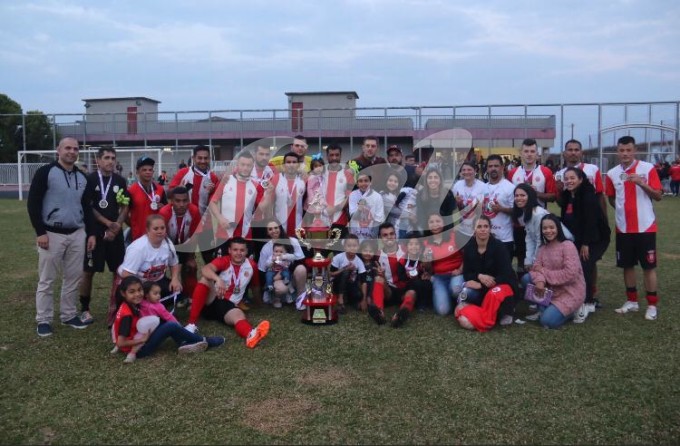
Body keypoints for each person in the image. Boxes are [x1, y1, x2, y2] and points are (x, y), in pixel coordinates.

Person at [28, 137, 96, 337]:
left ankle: (68, 315)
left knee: (73, 278)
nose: (72, 152)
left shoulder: (82, 177)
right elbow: (33, 203)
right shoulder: (45, 173)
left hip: (76, 233)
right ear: (58, 150)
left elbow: (87, 208)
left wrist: (91, 233)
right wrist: (40, 232)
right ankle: (44, 319)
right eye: (68, 148)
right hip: (51, 233)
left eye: (75, 149)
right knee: (47, 279)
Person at [605, 136, 663, 320]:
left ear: (634, 150)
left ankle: (652, 305)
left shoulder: (647, 169)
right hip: (623, 228)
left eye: (628, 150)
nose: (625, 154)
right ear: (617, 151)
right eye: (621, 150)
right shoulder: (612, 173)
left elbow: (659, 195)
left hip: (645, 228)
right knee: (627, 266)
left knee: (648, 267)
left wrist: (641, 183)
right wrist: (623, 210)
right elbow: (612, 198)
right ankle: (632, 301)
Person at [112, 276, 224, 361]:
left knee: (166, 323)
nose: (137, 294)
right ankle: (205, 341)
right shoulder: (127, 315)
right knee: (171, 325)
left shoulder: (127, 305)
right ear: (123, 293)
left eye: (139, 290)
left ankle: (184, 343)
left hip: (139, 338)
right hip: (138, 350)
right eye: (132, 292)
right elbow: (121, 343)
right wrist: (142, 340)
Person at [185, 237, 270, 349]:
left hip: (228, 307)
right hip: (213, 299)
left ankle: (251, 334)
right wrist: (218, 279)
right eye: (235, 250)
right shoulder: (224, 261)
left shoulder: (252, 265)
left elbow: (255, 286)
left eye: (242, 250)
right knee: (205, 279)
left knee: (238, 315)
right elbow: (205, 269)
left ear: (247, 251)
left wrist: (259, 303)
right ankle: (191, 325)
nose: (238, 253)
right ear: (229, 250)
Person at [79, 147, 130, 325]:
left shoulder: (120, 180)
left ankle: (116, 307)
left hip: (115, 233)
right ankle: (85, 309)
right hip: (94, 232)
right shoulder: (89, 179)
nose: (110, 161)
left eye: (113, 158)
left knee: (119, 271)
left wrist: (116, 227)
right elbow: (88, 207)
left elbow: (125, 206)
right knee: (88, 271)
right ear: (98, 161)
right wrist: (108, 224)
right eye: (106, 158)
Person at [559, 167, 610, 323]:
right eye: (566, 178)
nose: (569, 181)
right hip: (578, 238)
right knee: (574, 266)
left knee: (584, 266)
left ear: (581, 179)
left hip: (595, 238)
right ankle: (574, 298)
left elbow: (591, 222)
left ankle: (587, 302)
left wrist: (586, 244)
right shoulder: (568, 195)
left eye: (572, 178)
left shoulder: (588, 196)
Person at [112, 215, 182, 326]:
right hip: (136, 283)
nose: (160, 231)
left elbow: (174, 264)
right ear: (147, 231)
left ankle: (157, 309)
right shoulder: (138, 248)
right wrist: (144, 290)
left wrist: (175, 279)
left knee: (177, 291)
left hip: (156, 281)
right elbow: (127, 274)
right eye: (155, 229)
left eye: (162, 228)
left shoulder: (168, 244)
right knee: (139, 308)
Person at [455, 216, 518, 329]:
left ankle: (506, 311)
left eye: (486, 226)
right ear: (474, 230)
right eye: (479, 227)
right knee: (467, 291)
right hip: (481, 285)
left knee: (499, 313)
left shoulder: (499, 247)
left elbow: (506, 274)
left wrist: (482, 283)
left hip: (500, 284)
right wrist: (479, 276)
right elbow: (466, 273)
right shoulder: (469, 247)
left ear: (490, 229)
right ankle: (479, 307)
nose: (483, 229)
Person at [526, 214, 586, 329]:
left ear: (558, 228)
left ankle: (574, 310)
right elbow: (535, 269)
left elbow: (571, 274)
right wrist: (540, 282)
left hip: (570, 292)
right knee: (527, 278)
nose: (548, 231)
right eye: (545, 228)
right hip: (550, 291)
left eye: (551, 227)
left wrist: (544, 272)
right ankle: (545, 308)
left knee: (547, 322)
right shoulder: (542, 248)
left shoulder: (568, 246)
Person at [507, 138, 557, 271]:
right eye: (526, 151)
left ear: (537, 154)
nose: (529, 154)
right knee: (520, 255)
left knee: (539, 255)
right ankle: (522, 283)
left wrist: (536, 193)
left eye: (532, 151)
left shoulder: (545, 172)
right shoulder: (513, 173)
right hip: (518, 222)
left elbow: (552, 196)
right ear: (521, 153)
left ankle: (536, 283)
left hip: (538, 222)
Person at [209, 150, 271, 253]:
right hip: (224, 234)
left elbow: (261, 208)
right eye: (243, 164)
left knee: (245, 267)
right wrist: (220, 219)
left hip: (245, 235)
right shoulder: (225, 181)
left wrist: (268, 193)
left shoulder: (257, 186)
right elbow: (212, 202)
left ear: (252, 167)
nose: (245, 168)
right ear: (237, 164)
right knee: (223, 266)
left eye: (248, 165)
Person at [169, 144, 220, 263]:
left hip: (205, 223)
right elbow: (168, 193)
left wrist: (214, 192)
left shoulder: (212, 177)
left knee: (210, 258)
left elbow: (217, 202)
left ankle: (212, 281)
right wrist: (178, 188)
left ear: (209, 159)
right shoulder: (183, 172)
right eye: (200, 158)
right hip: (186, 222)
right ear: (193, 158)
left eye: (206, 158)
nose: (203, 161)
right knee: (186, 261)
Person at [512, 183, 572, 272]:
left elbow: (540, 241)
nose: (519, 198)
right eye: (516, 196)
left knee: (528, 279)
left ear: (530, 196)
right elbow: (530, 239)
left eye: (522, 195)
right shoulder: (527, 212)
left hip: (561, 250)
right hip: (548, 250)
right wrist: (528, 261)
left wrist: (534, 263)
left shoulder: (538, 214)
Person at [117, 281, 182, 364]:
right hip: (141, 327)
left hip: (147, 328)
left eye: (159, 293)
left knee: (139, 337)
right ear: (146, 295)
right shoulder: (141, 302)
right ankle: (128, 352)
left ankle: (128, 352)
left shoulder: (158, 306)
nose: (159, 296)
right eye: (155, 293)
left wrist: (177, 324)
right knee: (138, 338)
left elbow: (168, 316)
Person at [159, 186, 202, 302]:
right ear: (171, 201)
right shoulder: (164, 212)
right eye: (177, 201)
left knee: (191, 267)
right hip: (167, 245)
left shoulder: (194, 211)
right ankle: (165, 296)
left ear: (188, 200)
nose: (181, 204)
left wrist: (190, 258)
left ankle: (190, 297)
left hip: (186, 244)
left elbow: (195, 236)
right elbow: (162, 238)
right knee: (160, 271)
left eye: (185, 200)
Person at [256, 218, 307, 307]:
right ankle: (277, 297)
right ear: (267, 232)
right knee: (280, 288)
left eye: (276, 228)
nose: (274, 231)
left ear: (280, 228)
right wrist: (273, 277)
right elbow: (262, 270)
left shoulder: (292, 241)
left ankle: (300, 298)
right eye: (270, 229)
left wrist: (283, 271)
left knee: (301, 269)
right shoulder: (266, 248)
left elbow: (300, 261)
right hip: (276, 277)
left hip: (291, 274)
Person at [422, 213, 464, 315]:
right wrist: (426, 259)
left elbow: (467, 256)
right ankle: (449, 299)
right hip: (439, 278)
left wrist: (460, 270)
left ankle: (460, 300)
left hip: (456, 274)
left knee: (455, 289)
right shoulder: (426, 242)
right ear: (427, 225)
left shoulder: (454, 235)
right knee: (442, 311)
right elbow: (428, 269)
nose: (435, 224)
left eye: (438, 221)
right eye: (431, 222)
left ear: (443, 223)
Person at [366, 222, 408, 324]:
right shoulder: (377, 255)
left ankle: (400, 316)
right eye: (385, 235)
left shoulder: (406, 249)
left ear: (395, 235)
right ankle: (379, 313)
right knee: (378, 278)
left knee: (411, 293)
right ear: (380, 238)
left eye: (391, 234)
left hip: (404, 289)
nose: (389, 237)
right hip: (389, 292)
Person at [482, 154, 515, 258]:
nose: (493, 169)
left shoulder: (510, 187)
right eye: (490, 166)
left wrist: (501, 209)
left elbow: (517, 211)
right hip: (485, 237)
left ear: (502, 167)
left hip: (504, 238)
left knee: (503, 271)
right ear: (487, 169)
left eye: (496, 166)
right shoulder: (483, 188)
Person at [127, 156, 167, 241]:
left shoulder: (160, 189)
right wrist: (134, 226)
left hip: (157, 236)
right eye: (144, 170)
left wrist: (163, 208)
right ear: (137, 172)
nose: (148, 172)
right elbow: (125, 214)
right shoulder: (131, 191)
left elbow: (167, 210)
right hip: (138, 237)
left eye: (150, 170)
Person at [270, 151, 306, 237]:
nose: (291, 165)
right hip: (279, 228)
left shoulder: (304, 179)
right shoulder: (276, 179)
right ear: (283, 165)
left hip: (298, 227)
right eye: (288, 162)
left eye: (294, 162)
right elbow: (269, 203)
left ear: (298, 165)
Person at [330, 234, 367, 313]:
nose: (352, 248)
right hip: (337, 284)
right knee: (346, 272)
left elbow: (364, 281)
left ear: (358, 247)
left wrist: (364, 299)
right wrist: (344, 269)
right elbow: (331, 273)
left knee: (359, 295)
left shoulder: (359, 261)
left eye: (354, 246)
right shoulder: (339, 257)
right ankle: (340, 299)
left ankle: (349, 301)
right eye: (349, 246)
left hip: (350, 285)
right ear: (344, 247)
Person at [323, 144, 355, 230]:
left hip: (340, 220)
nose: (334, 158)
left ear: (340, 156)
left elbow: (349, 197)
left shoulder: (348, 174)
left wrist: (334, 209)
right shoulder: (321, 173)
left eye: (337, 155)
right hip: (321, 219)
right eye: (331, 155)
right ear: (327, 156)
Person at [415, 167, 456, 233]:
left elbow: (450, 216)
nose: (433, 180)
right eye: (430, 177)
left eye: (436, 177)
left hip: (445, 230)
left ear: (440, 180)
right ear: (426, 180)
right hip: (427, 229)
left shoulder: (448, 194)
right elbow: (420, 215)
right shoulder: (420, 195)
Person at [452, 162, 486, 238]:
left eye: (469, 169)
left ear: (475, 170)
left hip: (476, 229)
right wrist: (456, 202)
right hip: (461, 228)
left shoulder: (483, 186)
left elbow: (485, 208)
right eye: (463, 170)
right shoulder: (457, 185)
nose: (466, 172)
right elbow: (452, 206)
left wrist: (480, 206)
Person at [348, 172, 385, 241]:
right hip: (355, 233)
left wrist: (372, 237)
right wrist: (359, 209)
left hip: (370, 234)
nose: (363, 183)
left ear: (370, 182)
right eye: (360, 181)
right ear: (357, 183)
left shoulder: (377, 197)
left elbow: (378, 219)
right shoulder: (353, 195)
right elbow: (353, 216)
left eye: (366, 181)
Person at [262, 243, 296, 308]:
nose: (278, 253)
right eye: (276, 251)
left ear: (285, 252)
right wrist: (272, 261)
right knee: (268, 275)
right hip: (273, 271)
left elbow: (293, 257)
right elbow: (266, 264)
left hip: (283, 270)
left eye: (281, 251)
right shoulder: (271, 257)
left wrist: (284, 256)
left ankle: (288, 289)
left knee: (286, 274)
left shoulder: (286, 256)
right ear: (273, 252)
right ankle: (269, 287)